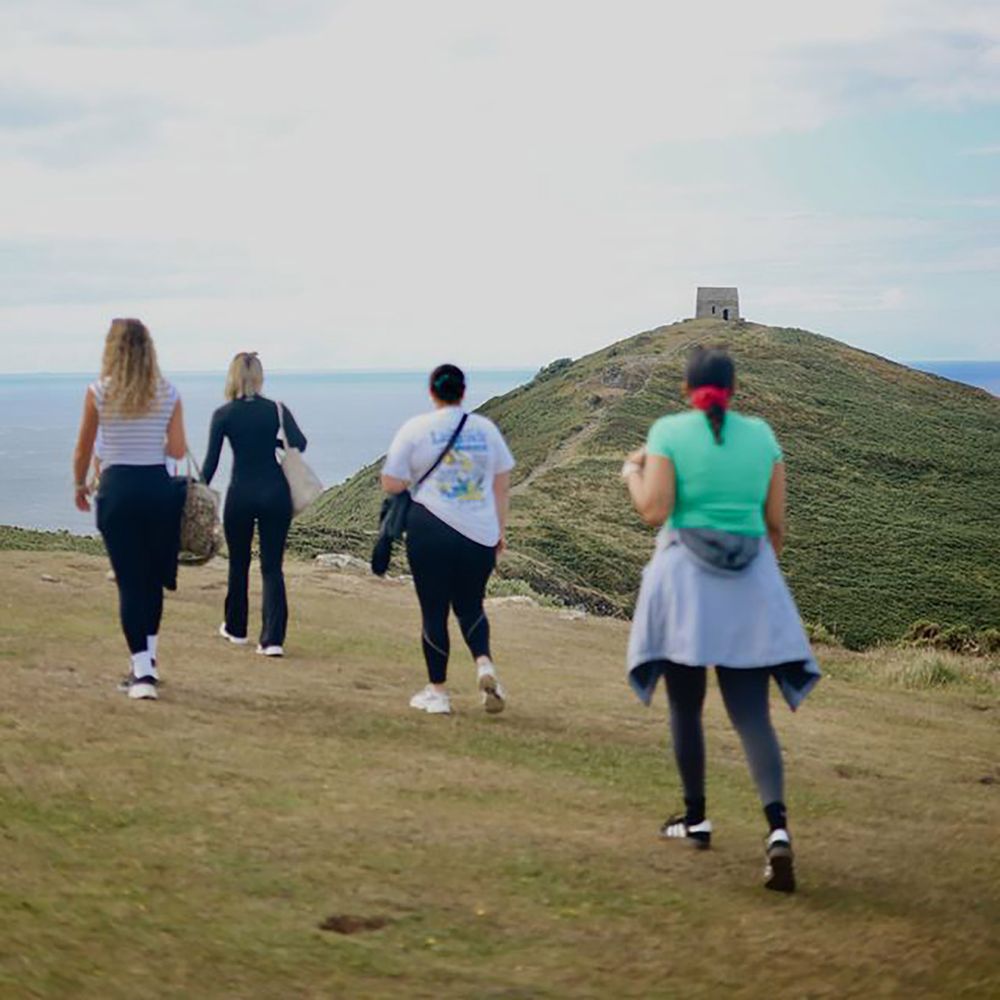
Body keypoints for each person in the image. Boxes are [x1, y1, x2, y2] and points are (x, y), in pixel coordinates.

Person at [622, 345, 820, 893]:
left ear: (687, 389)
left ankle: (697, 817)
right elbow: (774, 524)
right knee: (752, 715)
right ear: (734, 390)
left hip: (686, 584)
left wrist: (631, 471)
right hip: (750, 584)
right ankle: (777, 832)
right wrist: (753, 581)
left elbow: (655, 510)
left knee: (685, 705)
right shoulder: (762, 436)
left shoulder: (667, 432)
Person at [381, 364, 515, 716]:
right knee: (471, 605)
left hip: (430, 528)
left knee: (434, 610)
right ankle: (484, 664)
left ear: (432, 392)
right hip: (479, 532)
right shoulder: (486, 430)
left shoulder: (417, 428)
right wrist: (499, 532)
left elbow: (391, 482)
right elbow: (502, 486)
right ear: (463, 391)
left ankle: (438, 693)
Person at [72, 318, 187, 700]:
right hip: (157, 490)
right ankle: (149, 660)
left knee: (128, 581)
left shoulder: (99, 393)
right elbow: (177, 451)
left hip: (117, 491)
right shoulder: (168, 393)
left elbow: (84, 449)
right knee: (153, 580)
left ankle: (141, 672)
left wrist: (79, 485)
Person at [202, 352, 306, 657]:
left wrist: (191, 492)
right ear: (259, 377)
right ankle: (272, 640)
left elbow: (210, 465)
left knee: (239, 563)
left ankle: (235, 629)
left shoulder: (224, 415)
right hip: (276, 494)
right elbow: (300, 443)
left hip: (241, 494)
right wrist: (272, 444)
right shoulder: (276, 409)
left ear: (232, 377)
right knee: (272, 567)